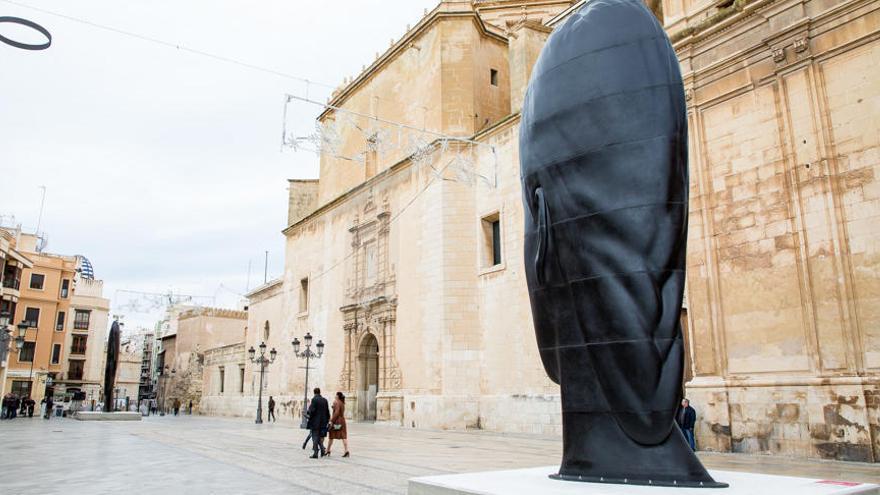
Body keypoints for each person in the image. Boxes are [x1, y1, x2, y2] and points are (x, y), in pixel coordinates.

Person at [306, 388, 330, 459]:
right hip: (323, 422)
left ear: (314, 393)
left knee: (315, 437)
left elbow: (311, 411)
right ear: (320, 392)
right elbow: (327, 412)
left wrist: (308, 412)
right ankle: (322, 451)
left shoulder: (314, 399)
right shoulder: (325, 400)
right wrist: (327, 420)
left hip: (315, 422)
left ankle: (315, 453)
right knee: (319, 437)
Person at [326, 392, 349, 458]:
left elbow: (336, 413)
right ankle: (346, 450)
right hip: (342, 421)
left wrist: (331, 421)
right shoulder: (342, 403)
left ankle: (328, 450)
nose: (335, 396)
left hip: (337, 421)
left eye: (336, 395)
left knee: (331, 435)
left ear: (338, 396)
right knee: (344, 436)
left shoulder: (336, 402)